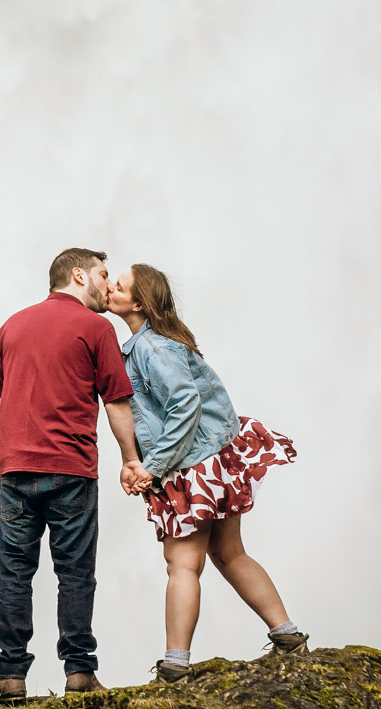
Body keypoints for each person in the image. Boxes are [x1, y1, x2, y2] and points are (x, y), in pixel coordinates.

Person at [107, 263, 307, 681]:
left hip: (191, 465)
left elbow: (184, 402)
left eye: (118, 285)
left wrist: (153, 466)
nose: (108, 288)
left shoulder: (151, 348)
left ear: (139, 302)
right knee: (229, 554)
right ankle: (288, 636)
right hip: (212, 456)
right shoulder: (156, 343)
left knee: (182, 562)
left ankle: (175, 665)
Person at [0, 247, 144, 702]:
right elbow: (115, 401)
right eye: (103, 275)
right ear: (77, 275)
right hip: (71, 469)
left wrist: (5, 446)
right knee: (75, 574)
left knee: (14, 574)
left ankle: (10, 675)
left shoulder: (13, 324)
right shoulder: (96, 327)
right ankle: (79, 673)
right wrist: (130, 458)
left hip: (16, 470)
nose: (109, 286)